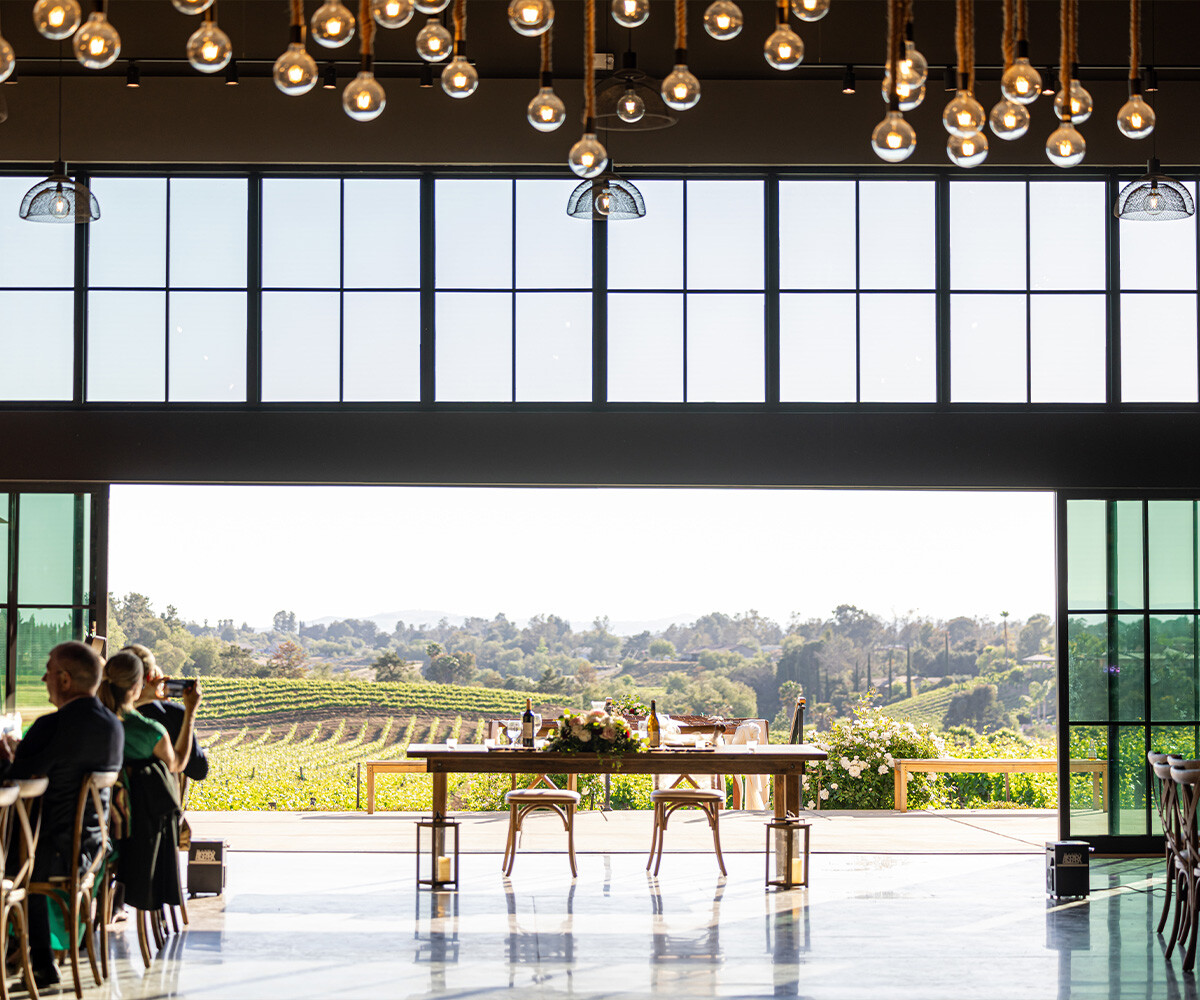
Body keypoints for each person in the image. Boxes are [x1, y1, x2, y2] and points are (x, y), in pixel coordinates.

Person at [0, 640, 123, 990]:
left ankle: (30, 957)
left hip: (49, 851)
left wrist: (8, 757)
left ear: (65, 680)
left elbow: (14, 778)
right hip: (92, 847)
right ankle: (30, 957)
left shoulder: (52, 726)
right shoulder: (112, 725)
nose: (43, 678)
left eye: (49, 672)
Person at [99, 651, 202, 919]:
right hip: (131, 834)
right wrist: (190, 711)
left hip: (90, 829)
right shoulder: (149, 731)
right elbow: (178, 763)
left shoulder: (92, 722)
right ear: (138, 685)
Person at [123, 644, 209, 782]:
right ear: (152, 675)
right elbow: (197, 771)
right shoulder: (170, 718)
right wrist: (190, 712)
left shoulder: (102, 711)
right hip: (149, 800)